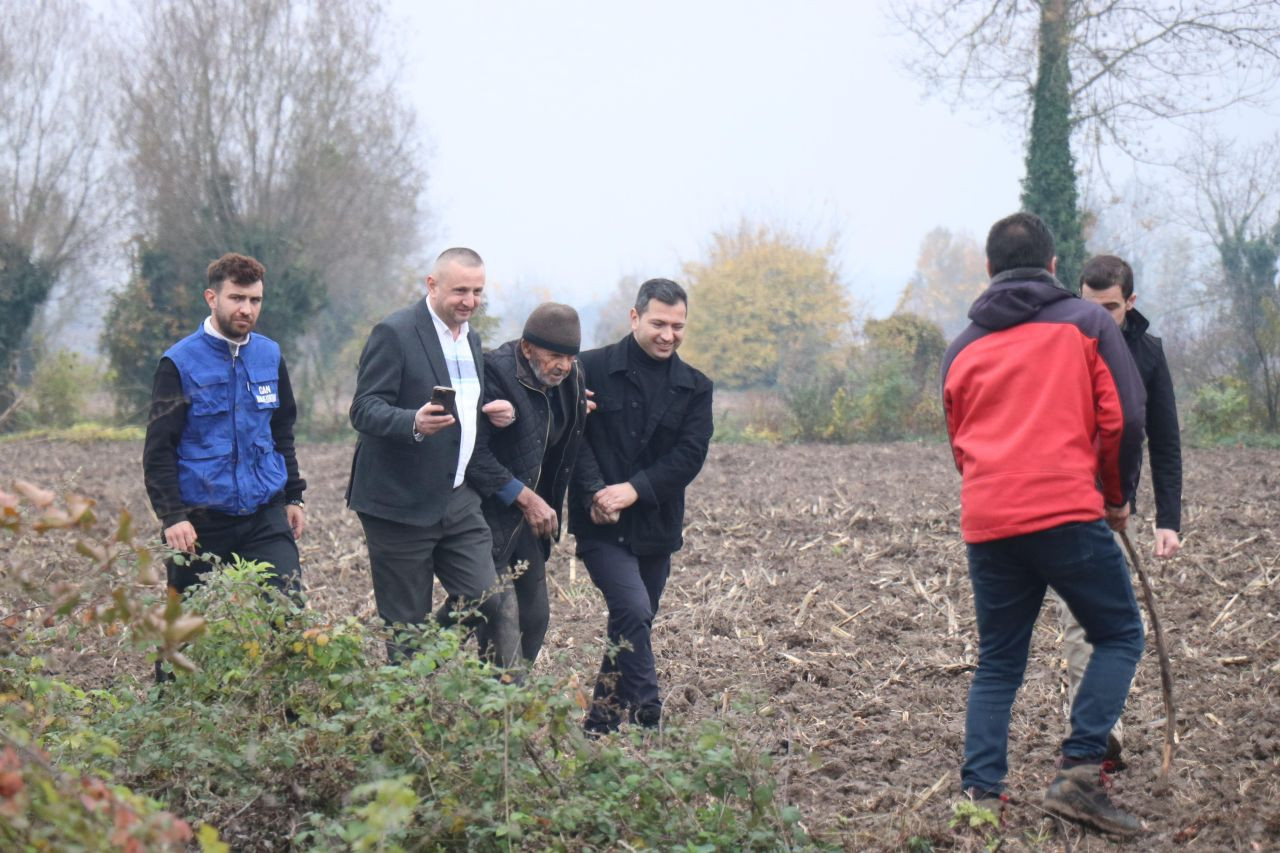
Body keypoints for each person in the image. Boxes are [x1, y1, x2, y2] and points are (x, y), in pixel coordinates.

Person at [940, 213, 1148, 836]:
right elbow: (1126, 416)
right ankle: (1080, 773)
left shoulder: (961, 348)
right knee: (1118, 633)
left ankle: (981, 797)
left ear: (987, 270)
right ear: (1056, 266)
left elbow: (959, 440)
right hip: (1065, 511)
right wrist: (1116, 496)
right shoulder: (1086, 323)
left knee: (999, 661)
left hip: (990, 517)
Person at [346, 247, 518, 665]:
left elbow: (459, 407)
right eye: (460, 290)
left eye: (477, 292)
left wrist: (492, 412)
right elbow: (364, 408)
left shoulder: (471, 338)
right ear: (432, 285)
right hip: (398, 503)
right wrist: (412, 422)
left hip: (457, 498)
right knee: (405, 626)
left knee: (486, 597)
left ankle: (424, 658)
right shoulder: (396, 333)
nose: (470, 302)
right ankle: (403, 708)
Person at [1051, 253, 1184, 765]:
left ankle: (1096, 732)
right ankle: (1099, 737)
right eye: (1089, 305)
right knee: (1084, 621)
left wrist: (1167, 518)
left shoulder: (1148, 354)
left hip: (1114, 510)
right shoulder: (1061, 344)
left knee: (1109, 625)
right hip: (1068, 503)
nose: (1098, 317)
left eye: (1110, 307)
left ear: (1130, 302)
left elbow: (1164, 441)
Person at [569, 278, 713, 735]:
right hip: (600, 524)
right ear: (635, 318)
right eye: (658, 323)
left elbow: (689, 456)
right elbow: (573, 438)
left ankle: (601, 723)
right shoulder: (587, 369)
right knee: (632, 610)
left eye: (678, 326)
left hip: (656, 527)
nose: (668, 335)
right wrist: (597, 491)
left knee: (630, 624)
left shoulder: (695, 388)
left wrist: (633, 490)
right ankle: (650, 712)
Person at [143, 252, 307, 612]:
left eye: (255, 300)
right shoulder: (179, 363)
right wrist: (173, 517)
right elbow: (159, 450)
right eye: (237, 298)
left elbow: (281, 432)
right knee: (184, 628)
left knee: (288, 610)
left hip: (263, 513)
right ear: (212, 298)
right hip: (199, 520)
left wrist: (293, 496)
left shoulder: (270, 355)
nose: (246, 309)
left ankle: (275, 670)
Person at [451, 303, 590, 666]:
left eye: (570, 356)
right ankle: (414, 671)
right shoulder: (494, 371)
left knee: (534, 616)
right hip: (483, 512)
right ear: (528, 348)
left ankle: (510, 699)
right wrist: (526, 499)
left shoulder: (573, 379)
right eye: (555, 355)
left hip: (530, 518)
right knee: (492, 612)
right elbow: (473, 455)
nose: (563, 365)